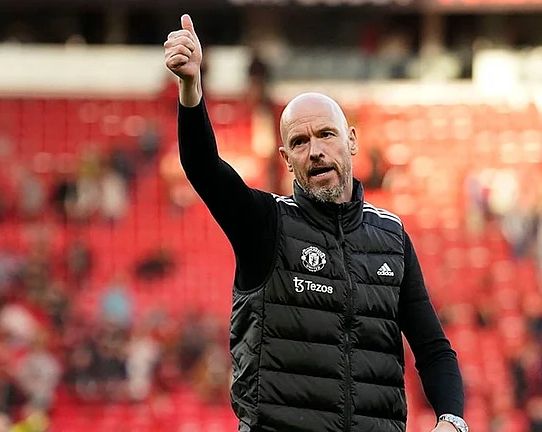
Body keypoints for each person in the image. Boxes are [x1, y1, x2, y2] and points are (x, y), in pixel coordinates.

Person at [164, 14, 467, 432]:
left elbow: (433, 349)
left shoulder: (392, 237)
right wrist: (191, 88)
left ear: (352, 141)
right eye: (300, 142)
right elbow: (203, 167)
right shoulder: (265, 224)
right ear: (287, 159)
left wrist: (452, 419)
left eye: (326, 135)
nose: (316, 151)